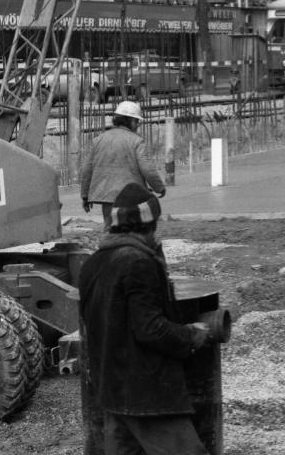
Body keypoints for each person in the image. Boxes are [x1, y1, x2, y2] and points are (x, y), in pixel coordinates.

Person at [78, 184, 212, 455]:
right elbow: (151, 329)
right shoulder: (138, 262)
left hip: (112, 390)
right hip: (146, 393)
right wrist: (192, 334)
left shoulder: (92, 264)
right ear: (149, 225)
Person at [81, 101, 166, 227]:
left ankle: (110, 246)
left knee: (110, 230)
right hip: (130, 197)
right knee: (130, 231)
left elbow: (87, 170)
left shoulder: (98, 140)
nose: (138, 125)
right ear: (129, 120)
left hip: (106, 196)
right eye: (136, 121)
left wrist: (85, 195)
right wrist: (159, 187)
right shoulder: (136, 141)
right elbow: (147, 168)